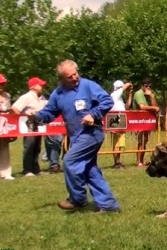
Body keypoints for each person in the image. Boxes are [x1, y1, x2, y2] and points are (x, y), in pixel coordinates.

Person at [29, 60, 120, 213]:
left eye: (75, 74)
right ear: (62, 79)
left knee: (70, 160)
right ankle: (109, 205)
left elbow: (107, 100)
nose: (74, 78)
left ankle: (77, 199)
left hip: (92, 133)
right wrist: (38, 117)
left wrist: (93, 114)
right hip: (77, 137)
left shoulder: (88, 85)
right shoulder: (58, 94)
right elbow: (50, 112)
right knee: (89, 169)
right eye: (69, 77)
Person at [11, 77, 48, 177]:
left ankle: (35, 169)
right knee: (29, 146)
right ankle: (27, 170)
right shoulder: (26, 97)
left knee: (37, 146)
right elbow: (15, 108)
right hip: (29, 124)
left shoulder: (41, 98)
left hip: (39, 124)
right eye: (40, 85)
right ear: (34, 87)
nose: (42, 87)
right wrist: (22, 118)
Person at [132, 78, 160, 167]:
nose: (148, 88)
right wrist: (154, 108)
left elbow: (156, 106)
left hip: (147, 121)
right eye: (146, 86)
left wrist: (151, 96)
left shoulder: (149, 94)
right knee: (140, 141)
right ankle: (138, 161)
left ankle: (141, 161)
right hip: (138, 120)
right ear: (142, 85)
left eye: (149, 86)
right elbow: (142, 107)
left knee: (145, 141)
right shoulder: (138, 93)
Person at [110, 80, 133, 169]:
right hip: (114, 119)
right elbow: (127, 85)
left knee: (120, 144)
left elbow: (127, 106)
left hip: (121, 119)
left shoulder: (119, 98)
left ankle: (118, 162)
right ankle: (116, 163)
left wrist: (130, 95)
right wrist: (129, 84)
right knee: (116, 143)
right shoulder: (114, 95)